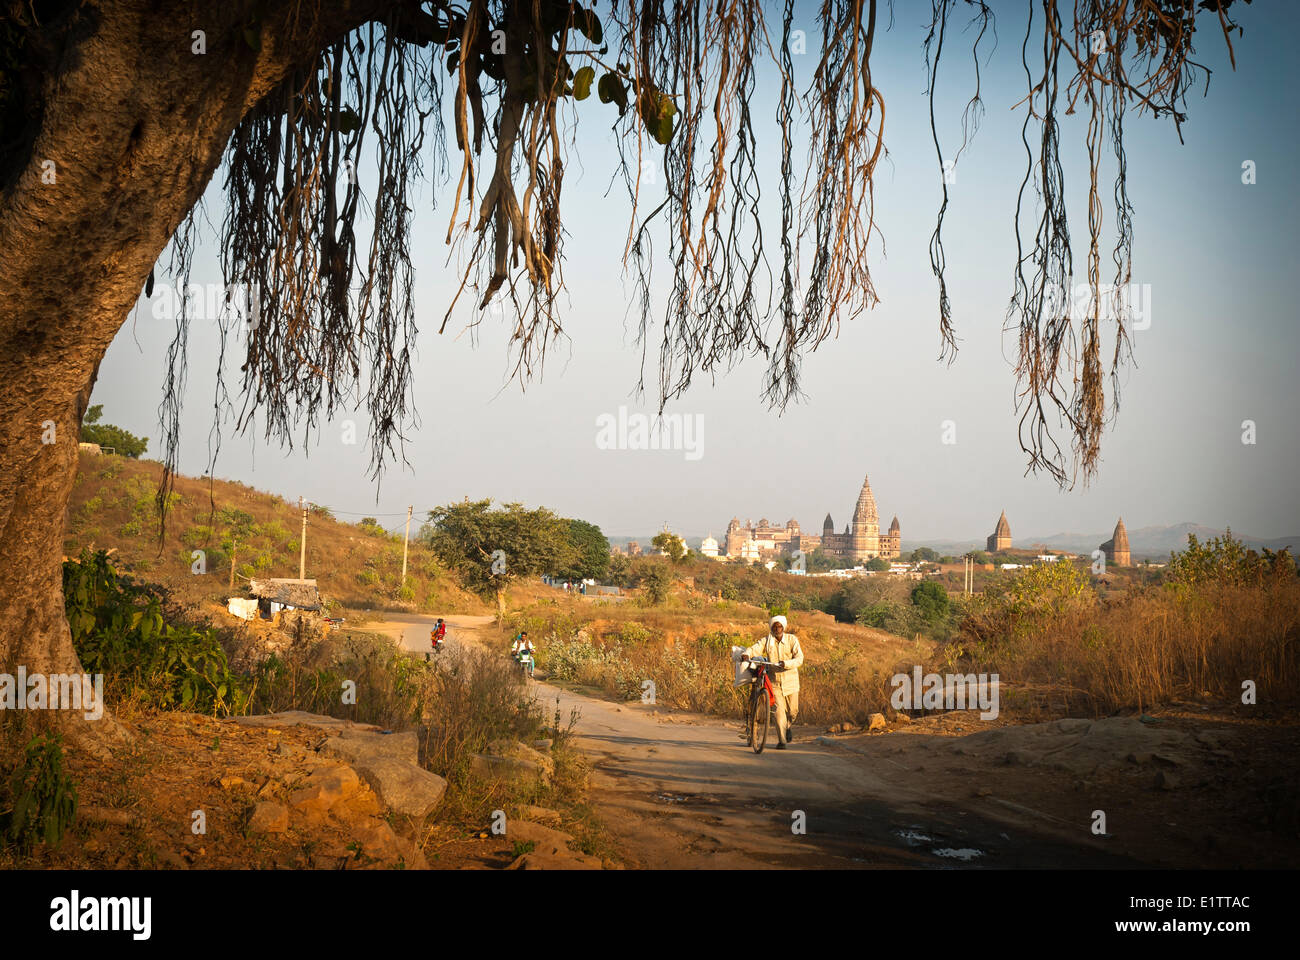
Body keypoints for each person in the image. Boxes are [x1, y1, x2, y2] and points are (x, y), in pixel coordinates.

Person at [738, 615, 804, 749]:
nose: (777, 628)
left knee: (793, 711)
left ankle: (788, 726)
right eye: (774, 626)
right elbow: (755, 648)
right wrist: (747, 654)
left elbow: (799, 659)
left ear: (783, 627)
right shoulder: (767, 640)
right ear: (771, 628)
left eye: (779, 626)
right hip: (774, 682)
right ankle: (782, 741)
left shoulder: (792, 640)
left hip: (791, 681)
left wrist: (785, 663)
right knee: (778, 713)